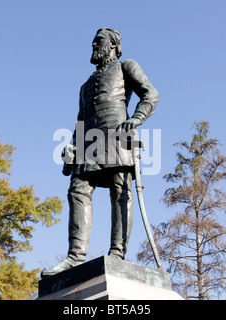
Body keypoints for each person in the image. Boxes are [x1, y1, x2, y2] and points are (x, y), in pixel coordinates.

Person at [41, 28, 159, 277]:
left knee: (120, 191)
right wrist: (72, 145)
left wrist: (136, 119)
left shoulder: (126, 66)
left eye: (99, 40)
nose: (93, 44)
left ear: (115, 45)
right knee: (77, 190)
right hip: (89, 143)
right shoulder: (84, 86)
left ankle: (117, 253)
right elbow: (80, 121)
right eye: (93, 41)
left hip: (118, 135)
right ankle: (75, 257)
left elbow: (150, 93)